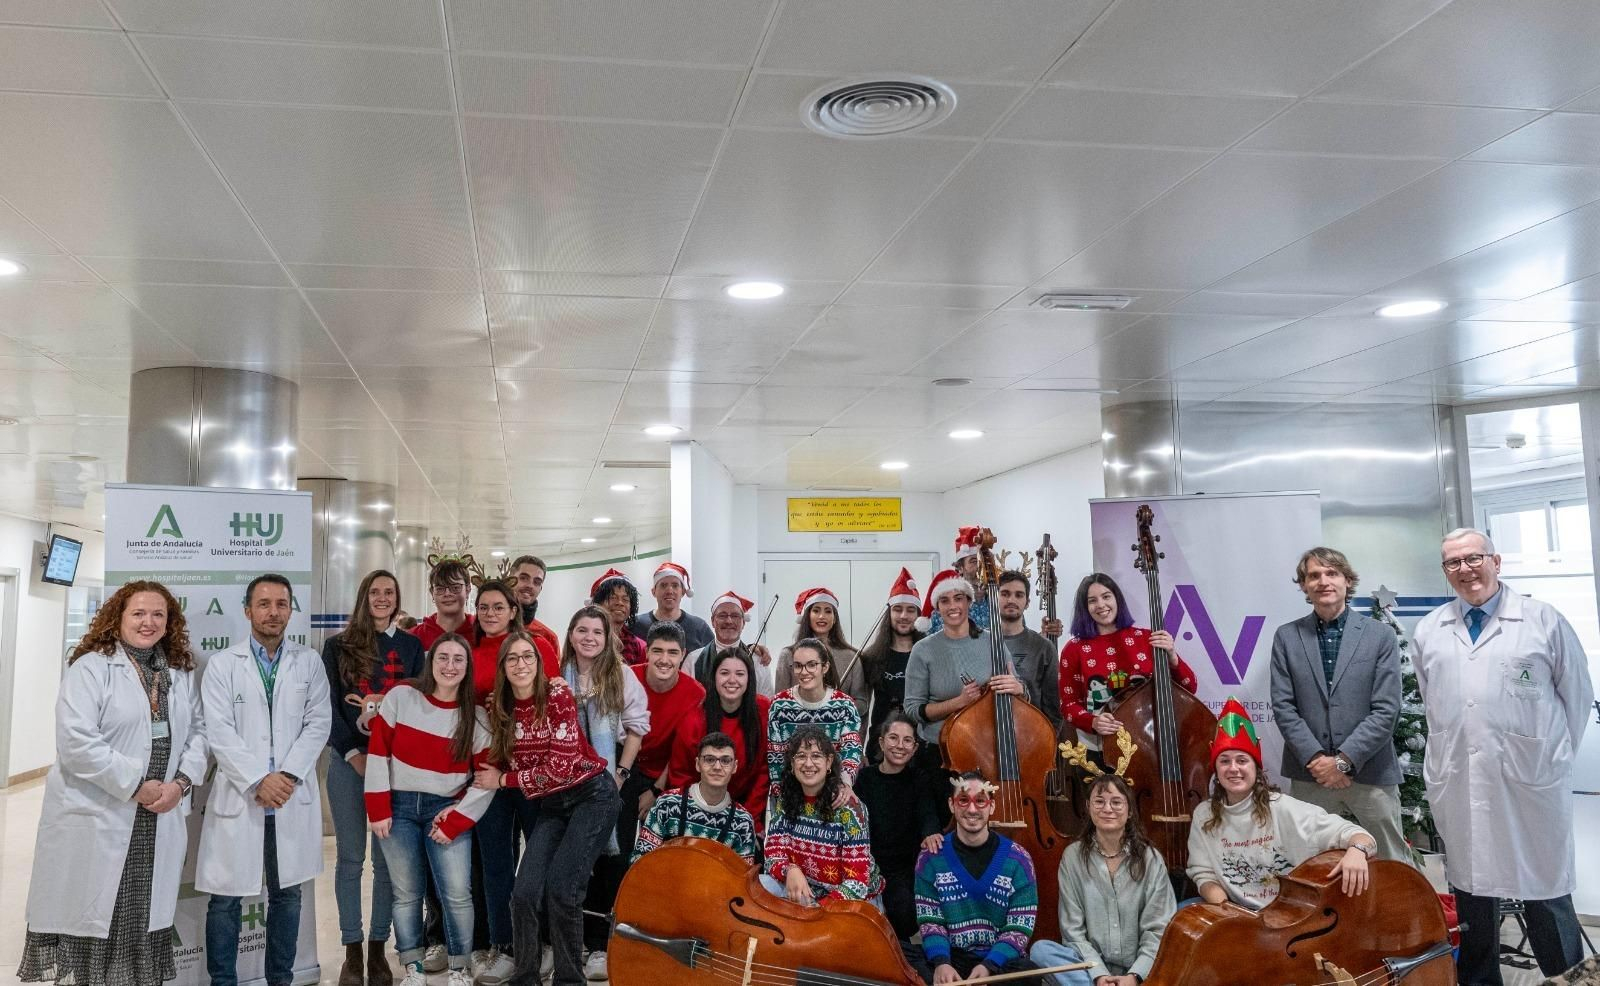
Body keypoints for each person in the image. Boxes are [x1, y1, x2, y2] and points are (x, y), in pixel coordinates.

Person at [1412, 528, 1594, 985]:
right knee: (1473, 894)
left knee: (1544, 891)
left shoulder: (1542, 621)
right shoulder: (1431, 630)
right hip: (1460, 779)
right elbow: (1435, 705)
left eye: (1473, 558)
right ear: (1445, 571)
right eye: (1453, 563)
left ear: (1496, 561)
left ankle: (1570, 978)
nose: (1465, 570)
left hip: (1530, 783)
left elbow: (1576, 698)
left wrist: (1544, 759)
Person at [19, 581, 208, 986]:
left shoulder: (177, 668)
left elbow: (198, 733)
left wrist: (180, 784)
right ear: (118, 617)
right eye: (138, 613)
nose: (148, 622)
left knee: (141, 915)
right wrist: (137, 785)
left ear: (169, 621)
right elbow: (75, 742)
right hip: (104, 810)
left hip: (159, 814)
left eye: (159, 614)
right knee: (100, 916)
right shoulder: (92, 666)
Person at [197, 574, 331, 986]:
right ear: (247, 610)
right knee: (225, 900)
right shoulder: (223, 665)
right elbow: (217, 731)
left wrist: (285, 776)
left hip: (289, 795)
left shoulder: (308, 661)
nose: (273, 612)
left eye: (281, 604)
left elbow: (318, 722)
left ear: (291, 610)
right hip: (244, 797)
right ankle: (223, 981)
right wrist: (259, 780)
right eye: (264, 603)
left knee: (287, 896)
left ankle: (280, 979)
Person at [476, 630, 620, 986]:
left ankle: (570, 980)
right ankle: (525, 977)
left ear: (539, 663)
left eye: (528, 656)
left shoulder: (556, 693)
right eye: (513, 658)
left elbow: (560, 767)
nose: (521, 664)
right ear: (503, 667)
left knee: (562, 890)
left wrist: (504, 781)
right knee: (523, 892)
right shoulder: (501, 707)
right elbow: (509, 760)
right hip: (553, 805)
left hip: (591, 796)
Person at [367, 633, 494, 986]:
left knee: (456, 893)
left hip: (447, 808)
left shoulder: (477, 717)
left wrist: (456, 820)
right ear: (430, 661)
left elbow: (484, 781)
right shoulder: (401, 697)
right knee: (406, 893)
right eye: (443, 657)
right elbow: (378, 753)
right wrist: (378, 808)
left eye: (458, 659)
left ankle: (460, 968)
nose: (450, 666)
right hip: (399, 806)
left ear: (467, 668)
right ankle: (413, 967)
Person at [1269, 547, 1408, 862]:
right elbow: (1283, 706)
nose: (1323, 581)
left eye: (1331, 573)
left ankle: (1393, 914)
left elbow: (1387, 708)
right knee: (1308, 864)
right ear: (1304, 586)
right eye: (1313, 575)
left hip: (1371, 771)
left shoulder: (1380, 635)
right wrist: (1319, 761)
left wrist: (1343, 762)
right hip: (1311, 774)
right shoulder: (1287, 637)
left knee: (1391, 863)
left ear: (1347, 580)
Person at [323, 569, 424, 986]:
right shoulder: (338, 647)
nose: (382, 598)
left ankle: (379, 949)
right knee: (350, 860)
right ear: (364, 596)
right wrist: (353, 754)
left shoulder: (413, 647)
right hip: (349, 766)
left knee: (387, 866)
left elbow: (420, 704)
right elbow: (327, 707)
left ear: (397, 599)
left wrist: (387, 759)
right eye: (375, 591)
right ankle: (352, 949)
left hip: (396, 769)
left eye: (390, 592)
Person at [1186, 699, 1376, 911]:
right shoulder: (1204, 814)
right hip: (1238, 914)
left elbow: (1359, 836)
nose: (1233, 768)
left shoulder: (1282, 808)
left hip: (1288, 916)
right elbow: (1203, 874)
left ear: (1256, 768)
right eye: (1224, 761)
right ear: (1216, 769)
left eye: (1242, 760)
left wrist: (1358, 851)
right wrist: (1228, 912)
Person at [561, 608, 649, 980]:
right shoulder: (557, 678)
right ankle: (568, 942)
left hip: (611, 780)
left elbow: (636, 728)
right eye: (582, 630)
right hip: (565, 786)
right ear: (571, 635)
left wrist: (620, 775)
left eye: (597, 631)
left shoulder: (622, 675)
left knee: (610, 865)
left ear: (606, 637)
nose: (589, 638)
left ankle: (600, 947)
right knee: (571, 865)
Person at [1028, 774, 1176, 986]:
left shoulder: (1150, 859)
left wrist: (1134, 977)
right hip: (1090, 971)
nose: (1107, 809)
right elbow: (1073, 932)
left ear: (1130, 810)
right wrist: (1099, 975)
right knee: (1041, 950)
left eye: (1116, 802)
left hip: (1141, 971)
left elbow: (1158, 929)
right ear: (1088, 807)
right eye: (1099, 801)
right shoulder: (1073, 857)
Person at [907, 771, 1041, 985]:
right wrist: (942, 962)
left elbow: (1019, 926)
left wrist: (989, 965)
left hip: (996, 962)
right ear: (951, 805)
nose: (971, 809)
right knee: (904, 954)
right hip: (952, 957)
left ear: (992, 806)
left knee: (1028, 973)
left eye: (980, 801)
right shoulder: (931, 857)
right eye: (963, 800)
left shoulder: (1018, 859)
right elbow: (930, 919)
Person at [1058, 573, 1198, 752]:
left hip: (1150, 742)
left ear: (1117, 599)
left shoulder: (1147, 638)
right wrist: (1092, 721)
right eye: (1092, 600)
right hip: (1100, 747)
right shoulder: (1073, 648)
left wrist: (1172, 656)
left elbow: (1190, 688)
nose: (1101, 605)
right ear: (1085, 607)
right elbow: (1068, 704)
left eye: (1106, 596)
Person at [761, 726, 883, 906]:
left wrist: (819, 909)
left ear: (829, 762)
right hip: (805, 890)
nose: (808, 764)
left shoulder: (849, 808)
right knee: (762, 885)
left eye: (816, 756)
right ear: (792, 765)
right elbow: (773, 854)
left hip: (849, 898)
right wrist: (789, 870)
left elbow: (857, 883)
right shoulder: (786, 800)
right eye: (801, 756)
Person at [905, 569, 1026, 749]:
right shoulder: (922, 649)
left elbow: (1022, 694)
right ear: (937, 608)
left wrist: (1019, 688)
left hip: (986, 747)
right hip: (939, 749)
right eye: (944, 600)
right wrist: (959, 702)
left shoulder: (993, 642)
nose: (952, 606)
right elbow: (913, 710)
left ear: (969, 602)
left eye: (958, 598)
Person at [854, 713, 943, 940]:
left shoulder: (919, 778)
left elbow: (927, 813)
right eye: (893, 738)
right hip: (867, 864)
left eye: (907, 741)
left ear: (914, 748)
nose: (900, 746)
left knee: (904, 916)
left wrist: (931, 831)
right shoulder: (864, 778)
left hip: (902, 869)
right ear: (882, 743)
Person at [666, 647, 771, 829]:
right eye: (724, 673)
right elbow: (680, 775)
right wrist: (699, 817)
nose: (732, 680)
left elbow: (764, 770)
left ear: (749, 679)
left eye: (740, 674)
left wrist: (749, 818)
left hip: (747, 812)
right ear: (713, 677)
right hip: (699, 811)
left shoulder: (763, 711)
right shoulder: (694, 719)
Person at [635, 731, 759, 865]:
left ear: (734, 767)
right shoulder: (667, 804)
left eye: (725, 760)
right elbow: (640, 861)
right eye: (709, 759)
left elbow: (743, 880)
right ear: (697, 764)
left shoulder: (743, 821)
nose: (717, 767)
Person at [767, 637, 864, 792]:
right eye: (798, 666)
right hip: (792, 791)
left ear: (825, 667)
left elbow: (851, 751)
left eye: (812, 665)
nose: (804, 672)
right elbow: (776, 757)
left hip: (834, 790)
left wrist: (845, 785)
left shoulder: (845, 705)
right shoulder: (779, 705)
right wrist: (780, 793)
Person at [857, 568, 926, 748]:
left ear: (918, 615)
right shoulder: (871, 657)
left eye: (910, 610)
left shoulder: (929, 654)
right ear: (889, 614)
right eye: (897, 609)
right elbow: (862, 710)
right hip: (879, 747)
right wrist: (859, 750)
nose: (903, 616)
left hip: (920, 746)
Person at [776, 587, 868, 719]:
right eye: (816, 610)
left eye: (828, 611)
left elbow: (862, 703)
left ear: (834, 618)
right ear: (807, 616)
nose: (822, 616)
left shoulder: (851, 657)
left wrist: (837, 709)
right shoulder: (788, 655)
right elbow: (780, 700)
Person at [996, 570, 1064, 725]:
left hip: (1032, 732)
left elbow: (1053, 706)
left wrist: (1049, 741)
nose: (1011, 600)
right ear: (994, 599)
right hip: (986, 731)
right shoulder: (980, 642)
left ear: (1027, 603)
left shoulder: (1044, 647)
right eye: (1005, 594)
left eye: (1019, 595)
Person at [684, 589, 774, 696]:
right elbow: (686, 701)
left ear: (743, 623)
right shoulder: (693, 659)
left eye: (735, 616)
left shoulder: (758, 660)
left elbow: (766, 702)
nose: (729, 621)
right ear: (713, 621)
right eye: (722, 616)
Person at [628, 561, 714, 652]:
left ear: (683, 592)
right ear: (654, 592)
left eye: (675, 585)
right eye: (663, 585)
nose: (669, 591)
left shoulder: (699, 627)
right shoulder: (636, 625)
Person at [925, 526, 991, 634]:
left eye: (983, 561)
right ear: (960, 568)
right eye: (974, 561)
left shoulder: (999, 602)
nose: (980, 566)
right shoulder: (945, 606)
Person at [410, 559, 474, 652]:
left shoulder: (481, 634)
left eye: (455, 587)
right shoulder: (414, 638)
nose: (447, 594)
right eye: (440, 589)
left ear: (468, 589)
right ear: (432, 592)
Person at [590, 568, 646, 666]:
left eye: (625, 599)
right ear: (598, 604)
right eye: (613, 597)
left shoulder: (640, 647)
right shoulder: (586, 640)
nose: (620, 603)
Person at [509, 554, 560, 654]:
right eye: (523, 578)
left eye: (537, 582)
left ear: (541, 588)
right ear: (510, 580)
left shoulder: (548, 638)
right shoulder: (486, 628)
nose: (529, 585)